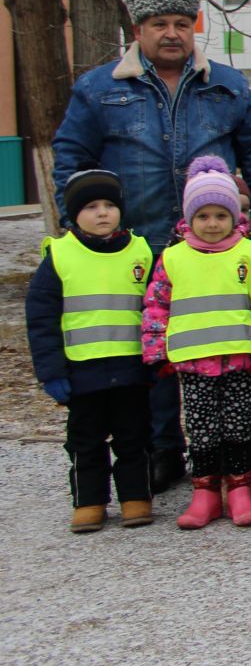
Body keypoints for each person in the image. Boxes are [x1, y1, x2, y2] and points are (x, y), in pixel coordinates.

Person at [51, 0, 251, 496]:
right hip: (138, 242)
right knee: (151, 350)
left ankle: (239, 457)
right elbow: (71, 157)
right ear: (138, 30)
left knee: (229, 347)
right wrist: (81, 220)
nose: (173, 34)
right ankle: (162, 452)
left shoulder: (227, 84)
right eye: (160, 25)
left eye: (182, 23)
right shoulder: (99, 88)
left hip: (218, 245)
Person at [139, 158, 251, 530]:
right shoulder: (173, 257)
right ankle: (205, 492)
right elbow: (156, 306)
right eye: (203, 216)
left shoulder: (250, 253)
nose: (212, 224)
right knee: (202, 429)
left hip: (238, 360)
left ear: (233, 216)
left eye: (221, 215)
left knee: (239, 427)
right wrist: (156, 354)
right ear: (191, 218)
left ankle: (238, 489)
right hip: (191, 363)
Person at [27, 170, 154, 533]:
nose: (102, 213)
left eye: (110, 205)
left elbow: (156, 310)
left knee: (134, 437)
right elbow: (41, 319)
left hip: (131, 369)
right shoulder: (60, 256)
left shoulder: (141, 252)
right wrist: (51, 372)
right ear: (73, 215)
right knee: (85, 441)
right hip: (82, 372)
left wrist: (155, 361)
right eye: (92, 206)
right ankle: (89, 501)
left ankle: (136, 498)